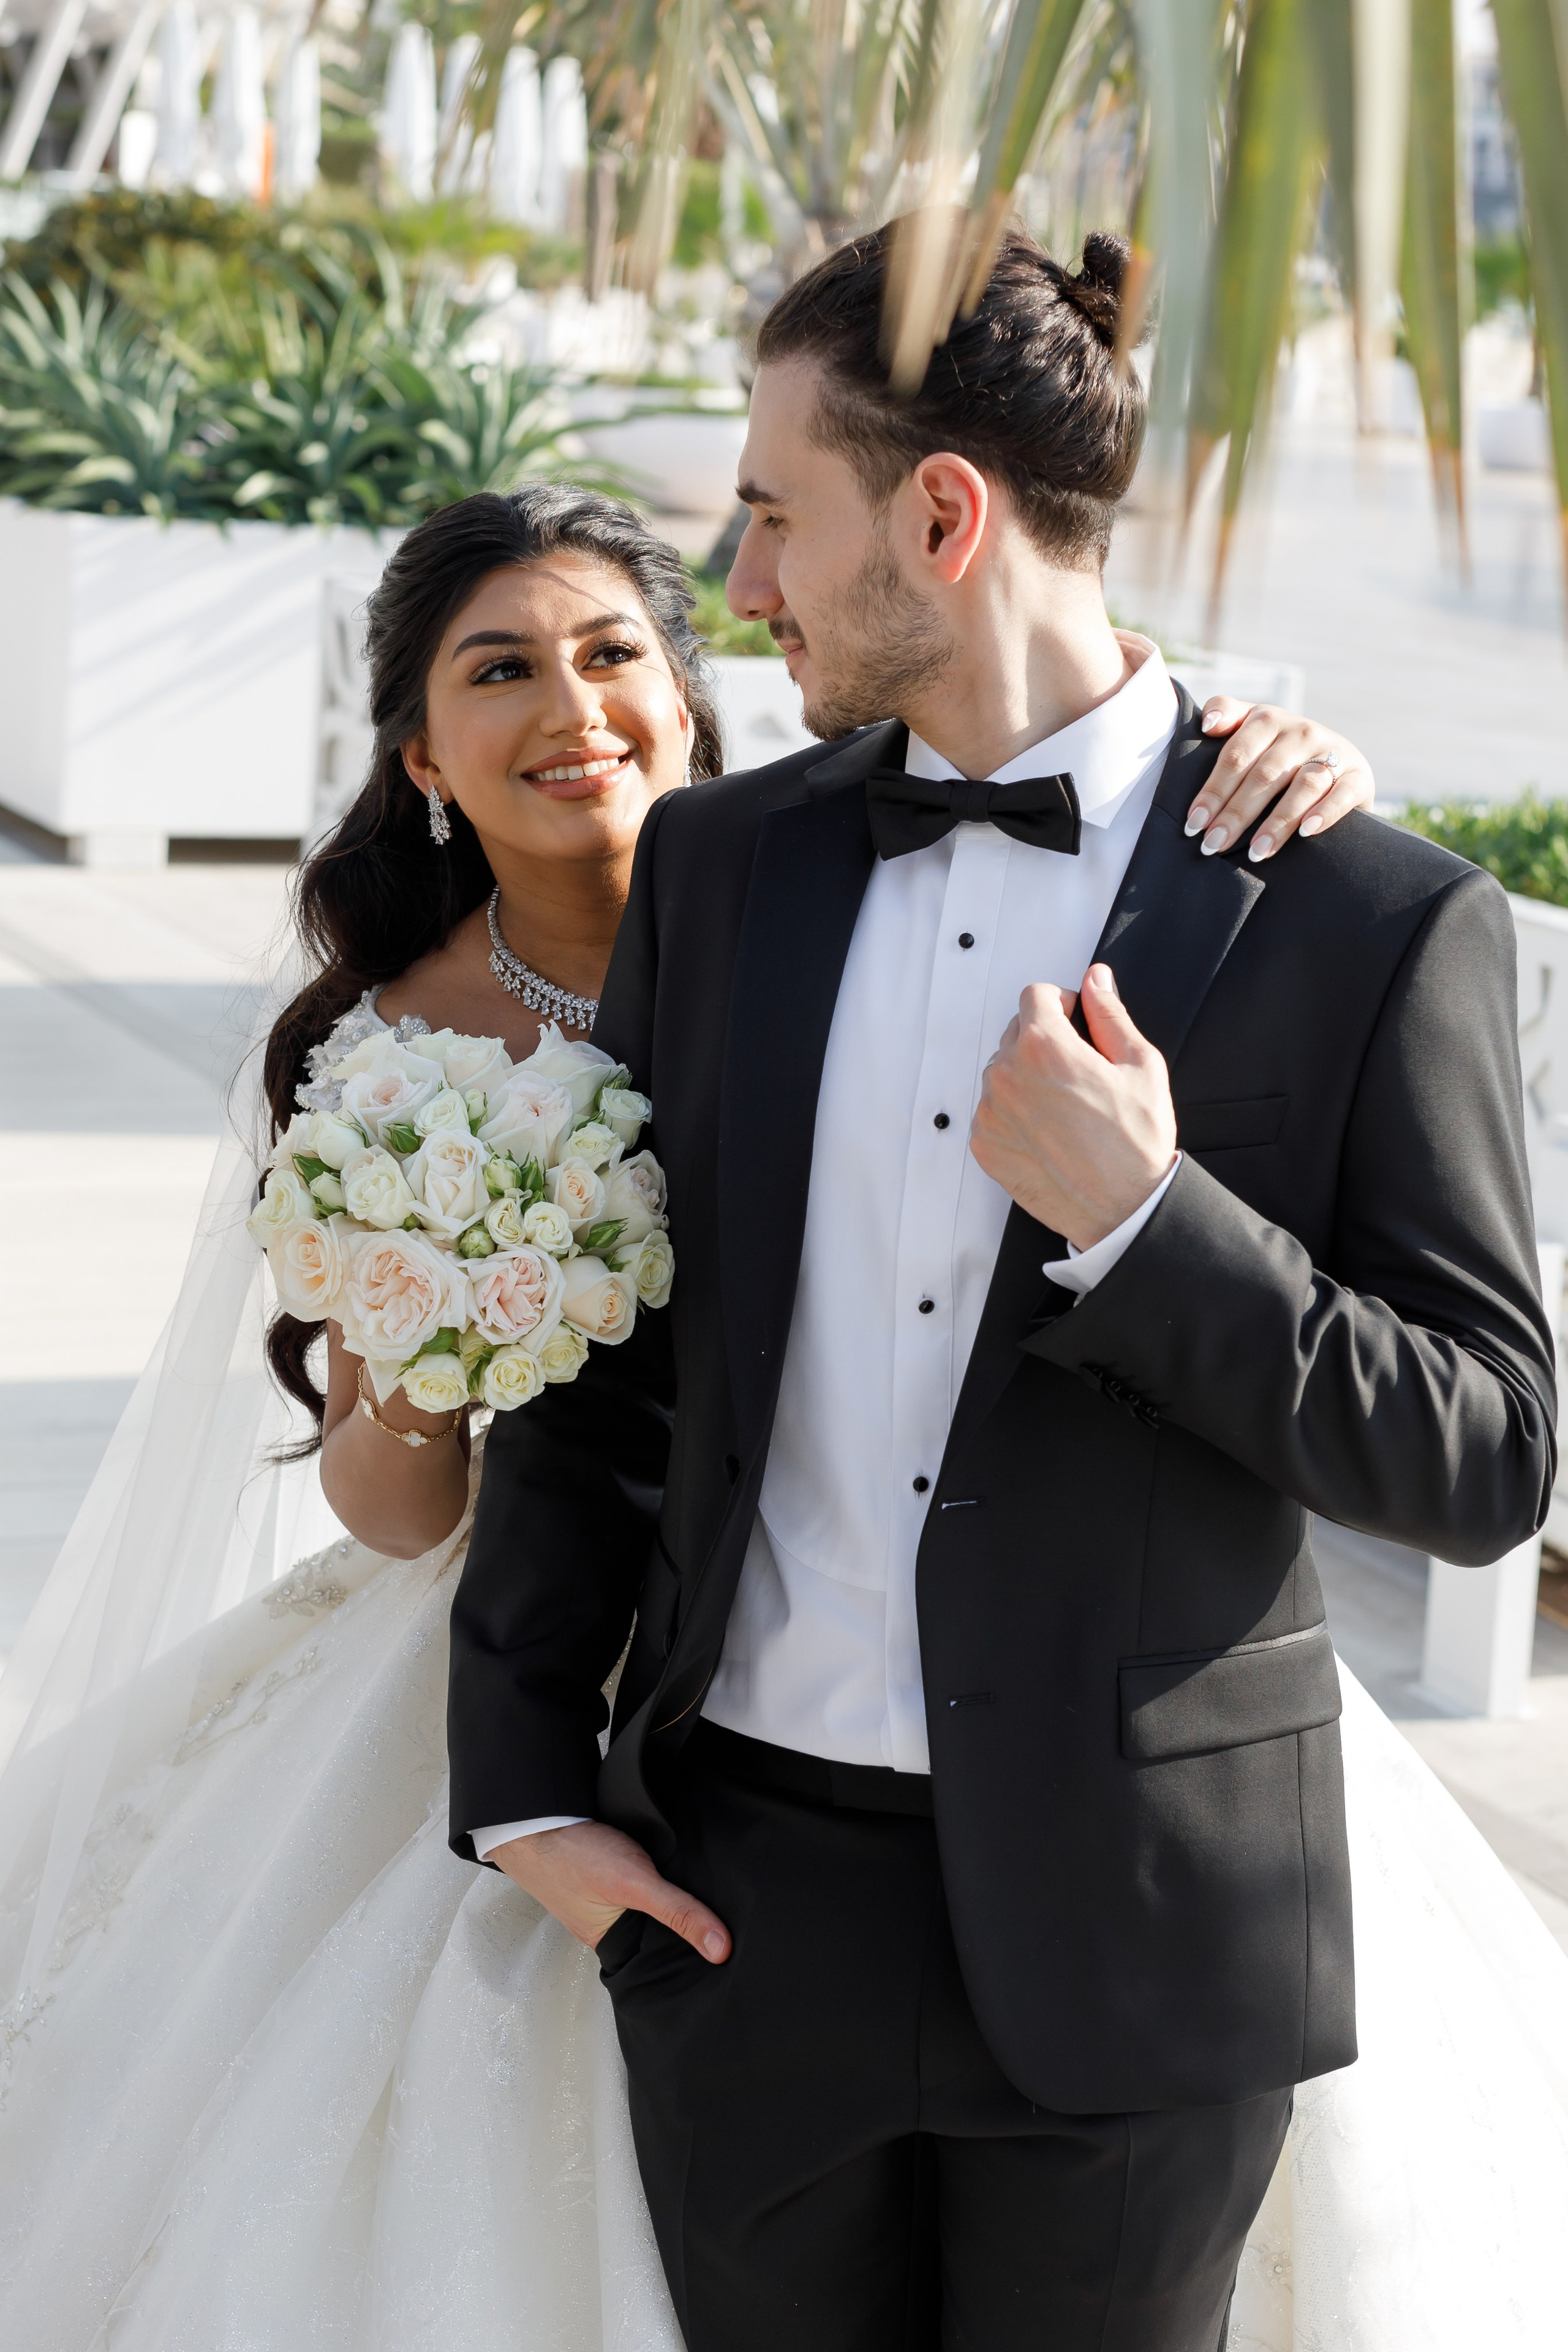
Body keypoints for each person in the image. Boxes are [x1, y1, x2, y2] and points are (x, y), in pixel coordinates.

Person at [0, 441, 1553, 2351]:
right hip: (655, 1727)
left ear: (692, 687)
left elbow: (1095, 764)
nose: (578, 712)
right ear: (415, 749)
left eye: (615, 656)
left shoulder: (796, 866)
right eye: (499, 672)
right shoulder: (394, 1048)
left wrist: (1277, 797)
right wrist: (442, 1354)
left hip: (1116, 1775)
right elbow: (436, 1492)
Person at [447, 227, 1565, 2352]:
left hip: (1144, 1953)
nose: (743, 582)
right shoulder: (723, 865)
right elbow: (612, 1355)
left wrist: (1157, 1226)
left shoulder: (1367, 921)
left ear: (940, 518)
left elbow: (1489, 1454)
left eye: (774, 511)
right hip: (744, 1914)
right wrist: (523, 1783)